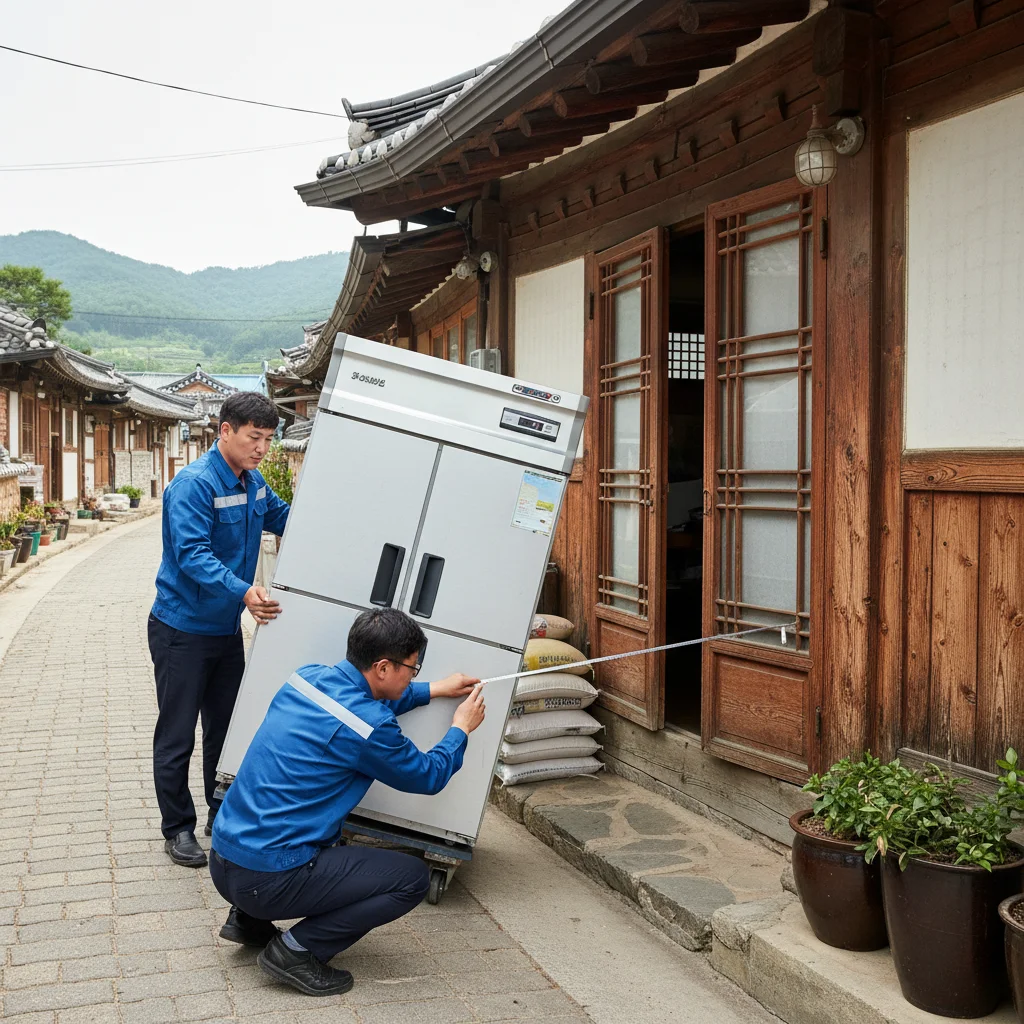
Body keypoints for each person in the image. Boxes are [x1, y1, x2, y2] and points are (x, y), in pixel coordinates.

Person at [209, 608, 486, 997]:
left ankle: (248, 922)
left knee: (310, 830)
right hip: (266, 880)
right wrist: (460, 728)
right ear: (383, 667)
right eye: (413, 668)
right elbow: (427, 775)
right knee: (410, 879)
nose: (414, 675)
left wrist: (433, 689)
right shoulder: (369, 726)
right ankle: (295, 952)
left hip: (224, 863)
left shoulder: (306, 679)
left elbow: (361, 710)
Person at [149, 391, 289, 869]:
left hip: (224, 630)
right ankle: (177, 829)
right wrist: (246, 592)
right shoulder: (193, 485)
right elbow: (192, 555)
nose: (262, 449)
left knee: (227, 729)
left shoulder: (254, 483)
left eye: (269, 439)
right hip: (181, 630)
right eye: (255, 437)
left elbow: (284, 517)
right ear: (225, 430)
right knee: (177, 733)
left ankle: (220, 812)